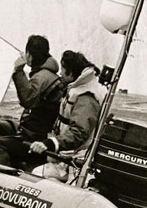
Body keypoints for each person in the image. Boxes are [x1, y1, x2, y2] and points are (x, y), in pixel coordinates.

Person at [0, 35, 64, 168]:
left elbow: (27, 100)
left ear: (29, 56)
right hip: (29, 129)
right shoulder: (47, 74)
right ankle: (16, 163)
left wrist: (18, 71)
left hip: (34, 138)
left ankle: (7, 177)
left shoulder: (42, 77)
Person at [29, 51, 107, 181]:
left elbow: (79, 133)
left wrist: (51, 143)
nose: (60, 74)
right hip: (65, 156)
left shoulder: (86, 97)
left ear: (71, 74)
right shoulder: (76, 89)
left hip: (76, 162)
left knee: (37, 175)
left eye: (63, 70)